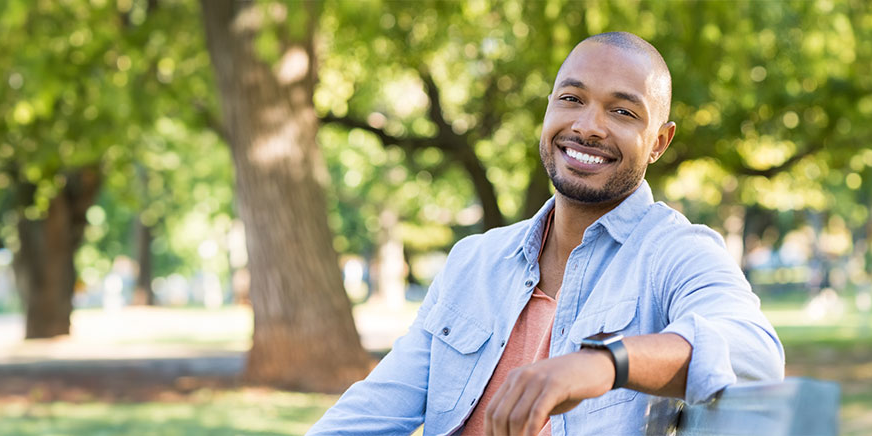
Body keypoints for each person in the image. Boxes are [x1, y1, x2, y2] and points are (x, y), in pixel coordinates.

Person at [307, 32, 785, 436]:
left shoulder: (676, 253)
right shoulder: (474, 260)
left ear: (659, 142)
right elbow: (370, 413)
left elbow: (754, 354)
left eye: (622, 112)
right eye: (571, 99)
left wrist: (604, 364)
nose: (587, 127)